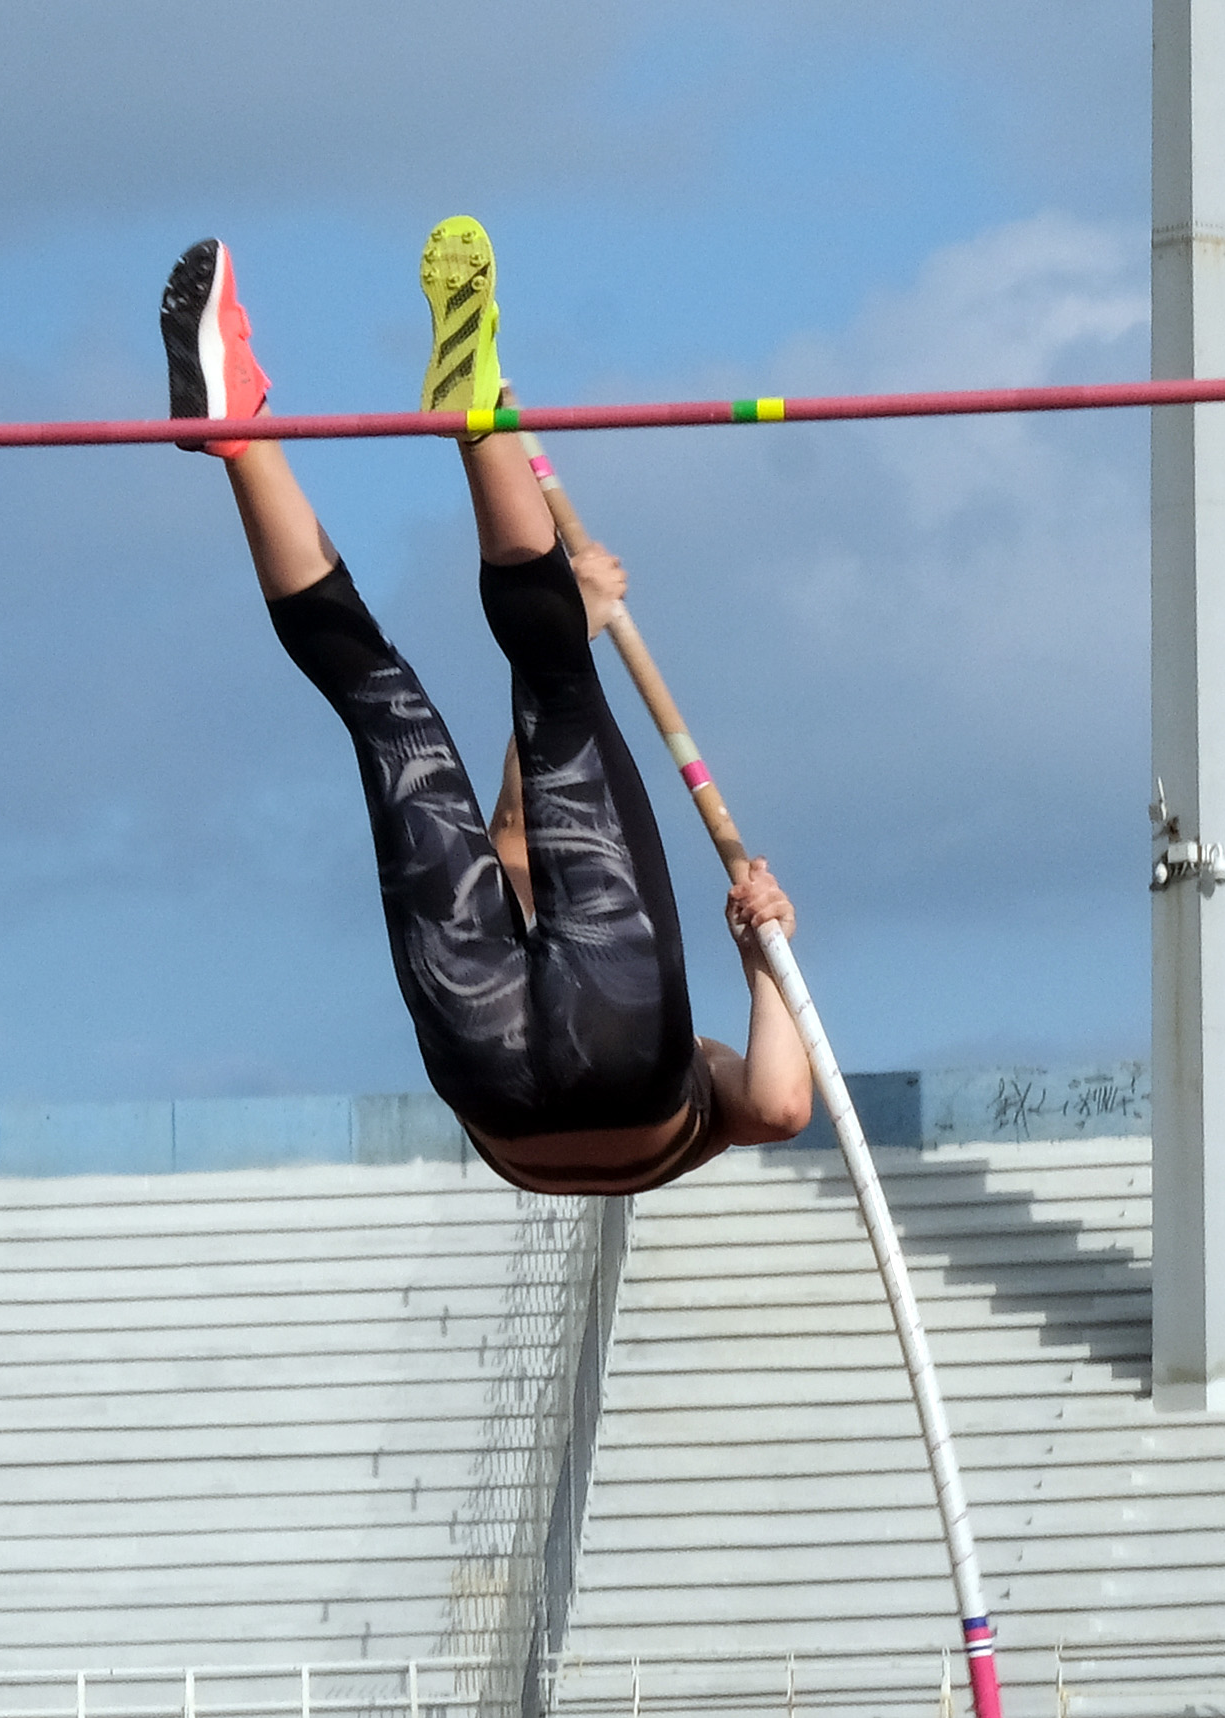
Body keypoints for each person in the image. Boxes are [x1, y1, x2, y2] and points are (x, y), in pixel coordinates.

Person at [162, 220, 813, 1196]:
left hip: (623, 1053)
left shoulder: (692, 1088)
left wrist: (765, 949)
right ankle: (243, 441)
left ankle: (477, 425)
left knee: (555, 688)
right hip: (485, 1068)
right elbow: (515, 840)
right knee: (379, 708)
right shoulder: (669, 1108)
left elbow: (783, 1107)